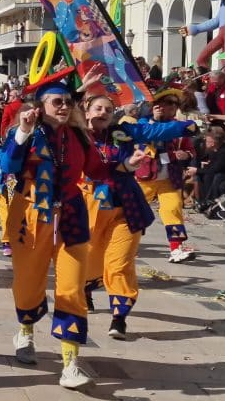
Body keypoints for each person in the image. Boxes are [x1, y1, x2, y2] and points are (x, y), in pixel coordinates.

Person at [0, 77, 110, 389]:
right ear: (40, 106)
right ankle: (25, 330)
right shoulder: (26, 134)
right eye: (56, 102)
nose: (64, 107)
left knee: (72, 287)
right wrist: (21, 131)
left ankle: (70, 363)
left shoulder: (79, 135)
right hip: (32, 214)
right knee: (28, 282)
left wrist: (128, 161)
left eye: (67, 102)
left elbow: (97, 170)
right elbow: (7, 164)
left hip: (72, 213)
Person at [80, 94, 193, 340]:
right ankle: (87, 287)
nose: (103, 113)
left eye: (108, 109)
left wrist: (185, 126)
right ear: (86, 111)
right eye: (97, 108)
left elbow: (153, 132)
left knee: (119, 263)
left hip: (126, 208)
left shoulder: (124, 131)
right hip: (87, 208)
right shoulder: (76, 134)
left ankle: (119, 316)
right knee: (89, 259)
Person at [133, 84, 198, 263]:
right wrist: (154, 118)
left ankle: (176, 249)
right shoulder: (144, 123)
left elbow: (191, 150)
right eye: (164, 102)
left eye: (173, 103)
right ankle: (129, 244)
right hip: (145, 176)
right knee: (134, 212)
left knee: (173, 211)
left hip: (170, 178)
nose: (169, 106)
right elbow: (143, 136)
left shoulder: (180, 127)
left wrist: (186, 154)